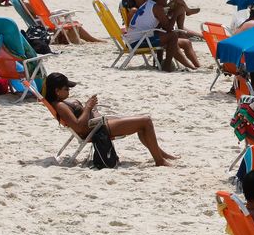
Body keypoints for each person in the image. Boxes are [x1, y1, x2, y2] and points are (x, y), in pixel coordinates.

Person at [44, 72, 176, 167]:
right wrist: (88, 107)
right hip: (96, 129)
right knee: (145, 121)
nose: (69, 91)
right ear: (57, 91)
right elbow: (78, 126)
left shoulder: (60, 102)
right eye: (66, 89)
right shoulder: (60, 106)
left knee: (141, 122)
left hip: (97, 124)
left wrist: (91, 109)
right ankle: (160, 160)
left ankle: (159, 154)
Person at [129, 0, 199, 71]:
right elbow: (169, 28)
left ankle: (195, 66)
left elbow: (162, 26)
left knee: (179, 40)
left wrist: (173, 13)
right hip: (137, 42)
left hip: (136, 39)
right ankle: (167, 66)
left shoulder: (148, 5)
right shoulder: (156, 8)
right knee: (172, 36)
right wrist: (176, 14)